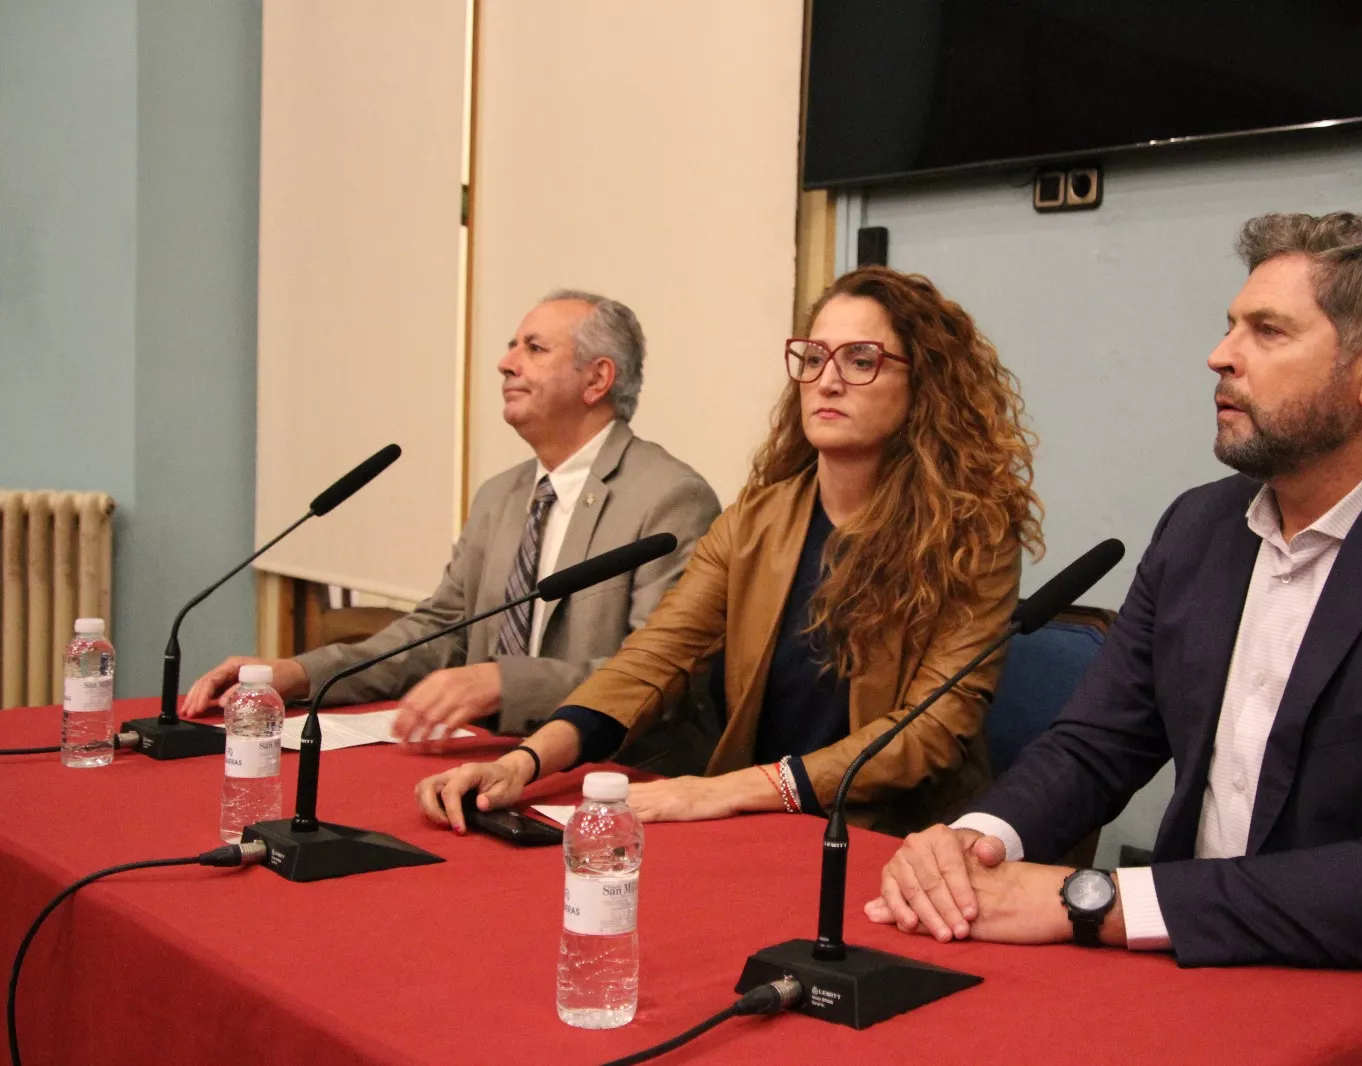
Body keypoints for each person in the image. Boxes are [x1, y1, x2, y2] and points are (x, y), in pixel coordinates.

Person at [869, 212, 1362, 1065]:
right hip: (1205, 988)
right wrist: (979, 842)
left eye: (1267, 331)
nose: (1221, 354)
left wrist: (1085, 899)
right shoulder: (1200, 527)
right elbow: (1097, 744)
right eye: (1230, 325)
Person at [416, 266, 1043, 834]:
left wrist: (734, 790)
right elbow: (653, 661)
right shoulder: (758, 519)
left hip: (889, 838)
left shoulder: (971, 537)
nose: (827, 381)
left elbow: (928, 731)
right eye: (814, 357)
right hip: (753, 824)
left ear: (923, 385)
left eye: (860, 360)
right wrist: (525, 761)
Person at [182, 291, 722, 766]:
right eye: (513, 346)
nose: (505, 363)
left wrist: (503, 683)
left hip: (610, 778)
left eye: (534, 348)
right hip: (484, 761)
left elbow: (660, 675)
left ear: (597, 379)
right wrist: (299, 674)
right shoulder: (502, 495)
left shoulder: (669, 498)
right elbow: (438, 632)